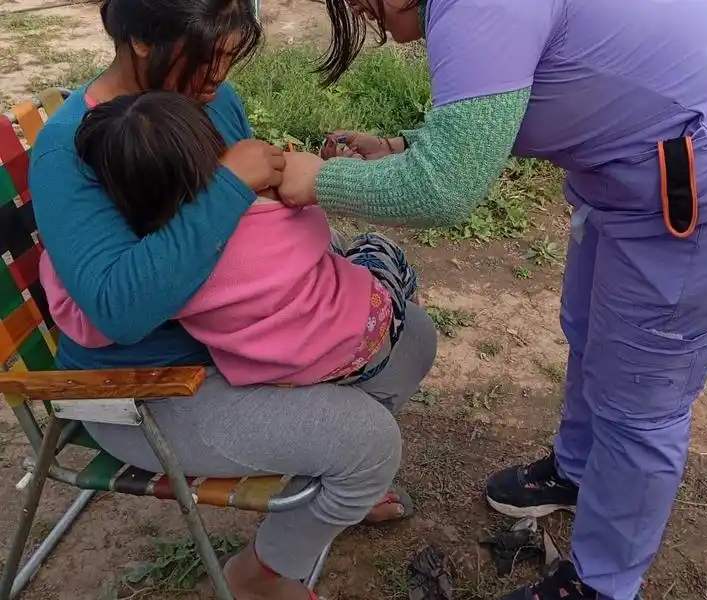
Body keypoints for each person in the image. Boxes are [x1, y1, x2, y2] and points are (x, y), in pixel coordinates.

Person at [275, 1, 707, 599]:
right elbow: (492, 114)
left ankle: (603, 585)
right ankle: (576, 471)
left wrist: (316, 180)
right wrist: (404, 145)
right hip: (641, 168)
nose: (374, 20)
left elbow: (444, 190)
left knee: (640, 400)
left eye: (364, 6)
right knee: (588, 330)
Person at [29, 1, 436, 599]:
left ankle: (328, 493)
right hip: (149, 387)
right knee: (370, 443)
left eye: (229, 53)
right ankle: (262, 574)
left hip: (240, 342)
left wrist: (296, 184)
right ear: (142, 37)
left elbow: (247, 233)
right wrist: (226, 187)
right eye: (207, 55)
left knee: (414, 339)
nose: (219, 76)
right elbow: (117, 310)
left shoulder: (206, 98)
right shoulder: (74, 151)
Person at [39, 91, 418, 388]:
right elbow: (316, 229)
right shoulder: (265, 214)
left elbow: (90, 320)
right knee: (376, 247)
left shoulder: (163, 266)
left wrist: (58, 263)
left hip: (281, 374)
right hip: (368, 338)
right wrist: (306, 179)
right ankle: (406, 304)